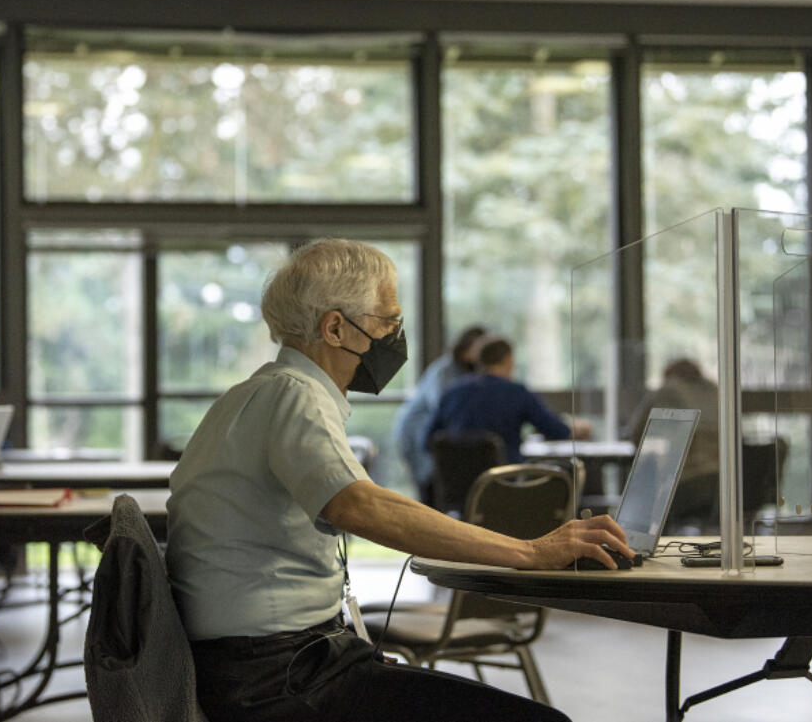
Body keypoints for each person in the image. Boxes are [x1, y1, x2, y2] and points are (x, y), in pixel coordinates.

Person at [166, 238, 631, 722]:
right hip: (277, 677)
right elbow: (361, 507)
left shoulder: (253, 395)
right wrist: (531, 551)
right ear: (335, 327)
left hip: (271, 663)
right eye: (387, 319)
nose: (395, 334)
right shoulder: (295, 396)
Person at [424, 336, 589, 466]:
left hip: (456, 491)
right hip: (504, 486)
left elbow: (428, 440)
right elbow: (556, 430)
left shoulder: (452, 393)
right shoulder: (517, 393)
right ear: (509, 360)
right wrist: (577, 428)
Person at [391, 325, 488, 501]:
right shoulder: (445, 372)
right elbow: (445, 408)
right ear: (465, 350)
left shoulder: (469, 374)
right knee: (430, 485)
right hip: (418, 433)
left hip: (434, 434)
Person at [623, 358, 720, 529]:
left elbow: (638, 434)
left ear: (670, 375)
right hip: (723, 486)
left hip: (686, 485)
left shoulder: (669, 390)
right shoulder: (717, 391)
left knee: (645, 480)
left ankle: (636, 537)